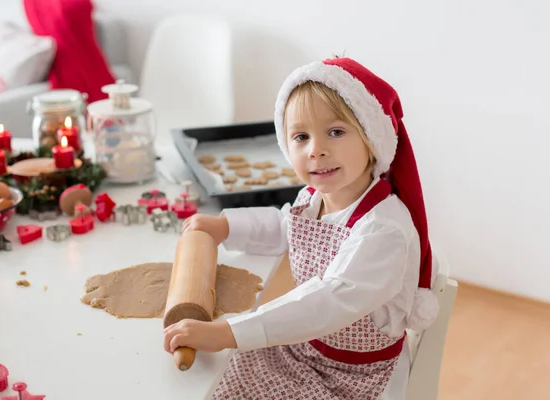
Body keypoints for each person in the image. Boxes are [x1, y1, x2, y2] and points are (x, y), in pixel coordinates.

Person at [163, 57, 440, 399]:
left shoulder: (383, 231)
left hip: (355, 377)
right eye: (301, 137)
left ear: (372, 141)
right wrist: (226, 226)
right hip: (305, 349)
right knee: (220, 382)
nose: (316, 150)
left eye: (335, 132)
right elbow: (285, 225)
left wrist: (226, 332)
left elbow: (328, 301)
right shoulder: (315, 198)